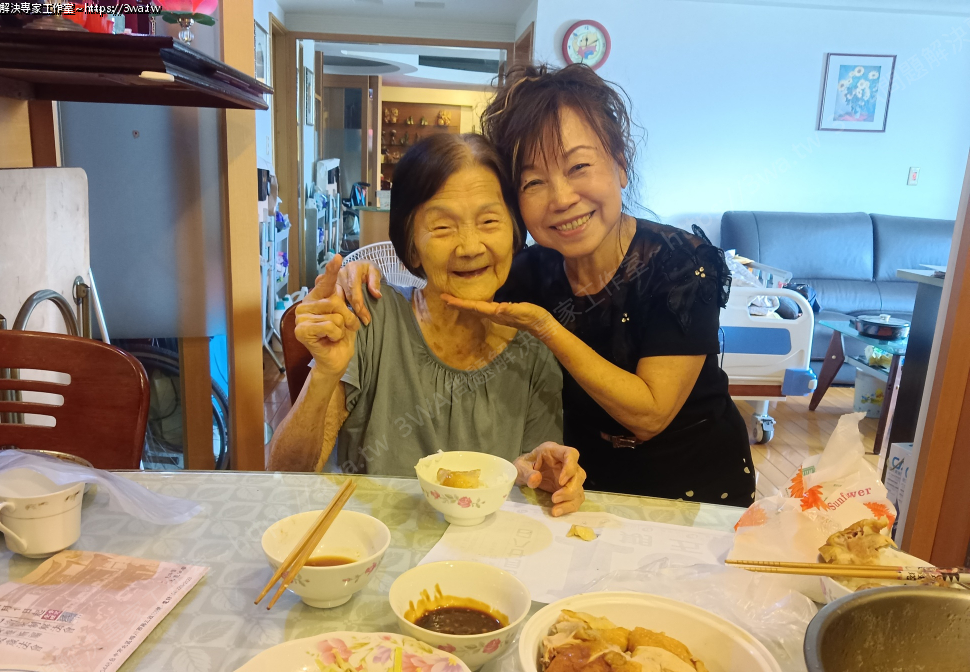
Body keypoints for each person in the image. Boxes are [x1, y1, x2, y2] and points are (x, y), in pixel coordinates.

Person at [339, 64, 755, 507]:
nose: (561, 198)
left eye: (578, 166)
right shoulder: (527, 272)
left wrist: (547, 329)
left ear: (620, 164)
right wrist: (360, 277)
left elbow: (650, 414)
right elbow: (447, 284)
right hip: (577, 486)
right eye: (534, 181)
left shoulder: (681, 263)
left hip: (693, 490)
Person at [268, 132, 587, 516]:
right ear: (411, 245)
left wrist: (543, 475)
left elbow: (532, 478)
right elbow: (287, 475)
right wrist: (324, 374)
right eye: (442, 227)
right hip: (371, 543)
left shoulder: (533, 355)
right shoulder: (370, 318)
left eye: (489, 221)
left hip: (477, 549)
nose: (469, 247)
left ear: (515, 233)